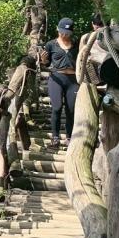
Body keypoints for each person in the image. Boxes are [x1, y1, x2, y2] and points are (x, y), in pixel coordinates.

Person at [40, 17, 79, 148]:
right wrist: (44, 60)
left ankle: (69, 137)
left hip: (73, 80)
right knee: (56, 107)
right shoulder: (51, 44)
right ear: (58, 30)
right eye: (62, 32)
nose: (64, 35)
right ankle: (55, 137)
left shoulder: (77, 44)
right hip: (56, 78)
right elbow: (46, 63)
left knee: (71, 109)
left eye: (67, 33)